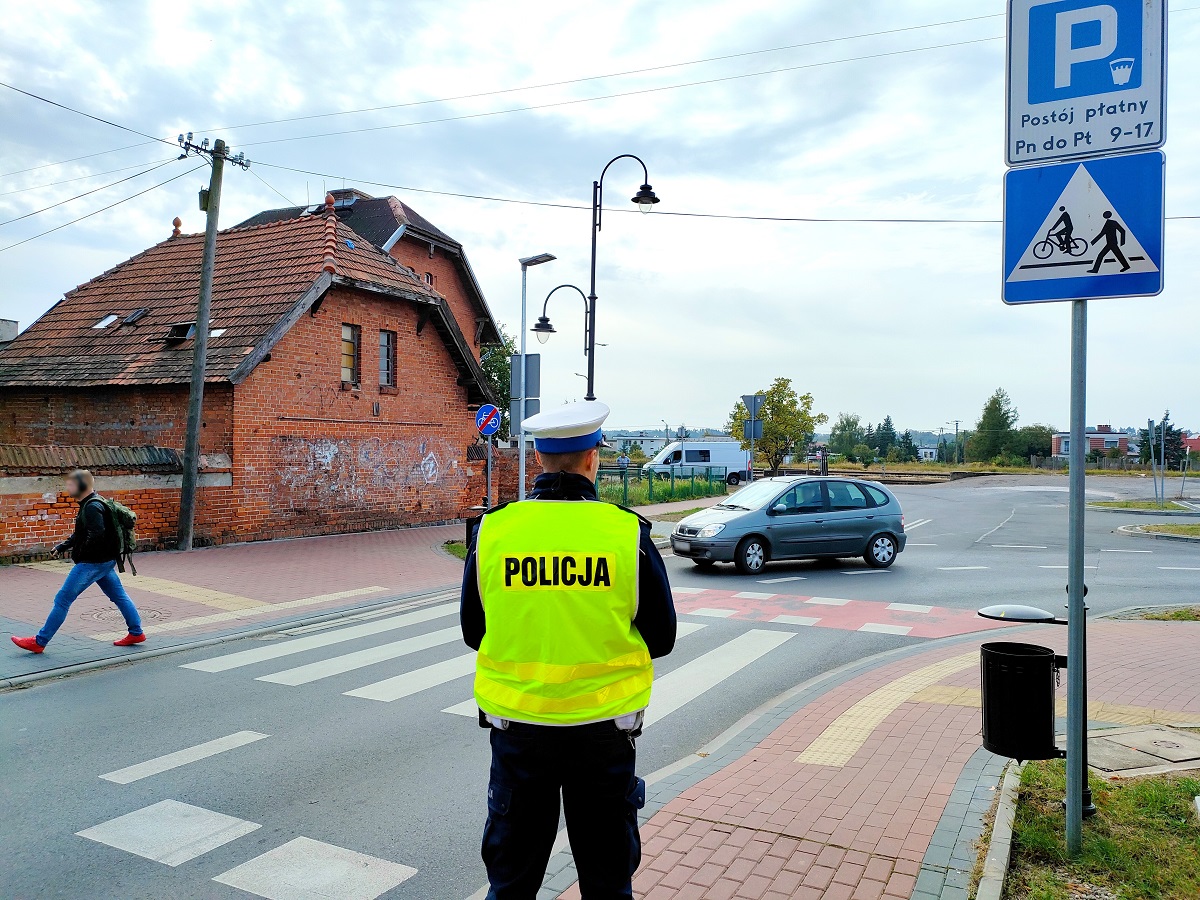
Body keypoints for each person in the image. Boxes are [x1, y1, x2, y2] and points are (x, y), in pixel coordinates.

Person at [460, 401, 676, 899]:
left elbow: (474, 631)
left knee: (511, 884)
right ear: (592, 459)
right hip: (603, 735)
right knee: (606, 883)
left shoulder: (493, 532)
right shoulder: (625, 534)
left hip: (518, 732)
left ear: (537, 459)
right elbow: (661, 637)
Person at [10, 469, 145, 654]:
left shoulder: (92, 507)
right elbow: (82, 533)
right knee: (119, 596)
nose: (68, 489)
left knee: (63, 599)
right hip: (104, 562)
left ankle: (39, 642)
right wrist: (63, 546)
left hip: (92, 563)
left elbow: (96, 534)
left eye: (71, 485)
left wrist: (81, 553)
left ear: (82, 486)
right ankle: (136, 632)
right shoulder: (93, 503)